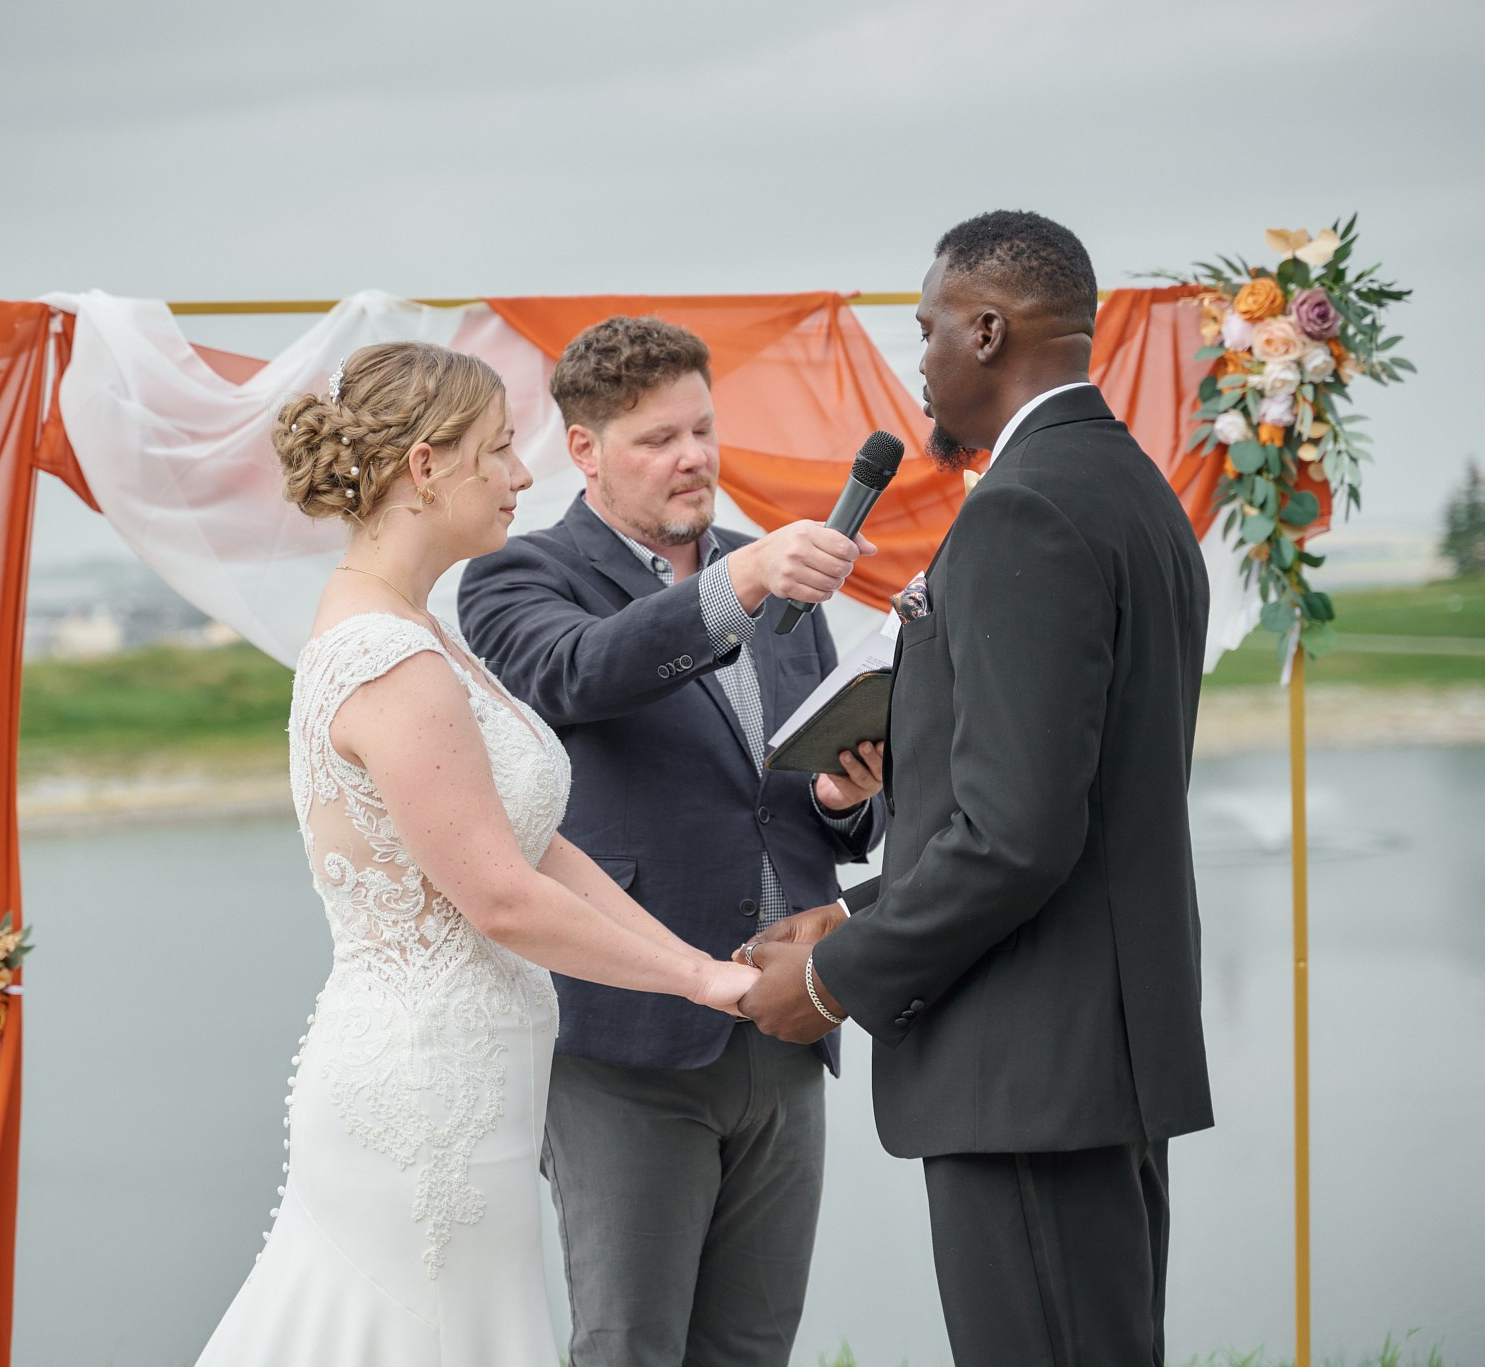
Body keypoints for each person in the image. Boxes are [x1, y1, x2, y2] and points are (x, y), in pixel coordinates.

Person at [191, 341, 758, 1366]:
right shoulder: (387, 656)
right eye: (498, 450)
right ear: (424, 467)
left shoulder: (419, 627)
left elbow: (533, 848)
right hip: (423, 1092)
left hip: (474, 1078)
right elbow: (497, 896)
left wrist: (701, 974)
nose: (521, 474)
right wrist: (692, 973)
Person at [737, 210, 1215, 1367]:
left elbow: (1017, 835)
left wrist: (836, 978)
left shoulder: (1021, 508)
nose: (920, 358)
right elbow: (1062, 793)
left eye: (928, 328)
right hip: (1097, 1053)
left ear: (989, 328)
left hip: (1025, 1065)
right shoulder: (1130, 488)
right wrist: (854, 903)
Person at [458, 316, 886, 1367]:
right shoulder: (515, 577)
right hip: (626, 1038)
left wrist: (843, 796)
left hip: (788, 1016)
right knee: (629, 1344)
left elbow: (790, 792)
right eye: (656, 439)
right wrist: (739, 585)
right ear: (587, 450)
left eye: (701, 427)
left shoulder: (771, 567)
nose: (692, 455)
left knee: (751, 1345)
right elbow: (578, 673)